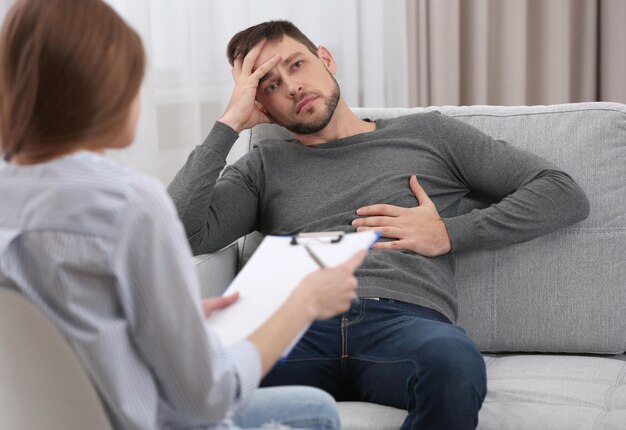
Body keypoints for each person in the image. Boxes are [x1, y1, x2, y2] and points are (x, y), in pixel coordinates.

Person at [168, 20, 591, 430]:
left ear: (326, 59)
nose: (291, 86)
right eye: (270, 85)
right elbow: (179, 234)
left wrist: (448, 233)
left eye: (296, 65)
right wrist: (230, 123)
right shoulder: (264, 164)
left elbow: (561, 192)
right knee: (190, 384)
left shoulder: (429, 133)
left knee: (455, 364)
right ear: (261, 105)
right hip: (295, 327)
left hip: (405, 325)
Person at [0, 4, 367, 430]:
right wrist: (303, 304)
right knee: (316, 412)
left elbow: (62, 322)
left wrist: (174, 314)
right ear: (104, 89)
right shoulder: (128, 205)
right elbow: (205, 401)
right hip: (148, 419)